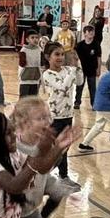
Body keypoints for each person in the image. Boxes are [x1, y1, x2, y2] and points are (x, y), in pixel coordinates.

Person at [40, 41, 81, 184]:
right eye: (56, 54)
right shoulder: (47, 74)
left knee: (64, 148)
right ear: (47, 57)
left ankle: (63, 176)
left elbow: (80, 82)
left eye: (62, 54)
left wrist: (77, 66)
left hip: (68, 115)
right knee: (55, 149)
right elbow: (62, 87)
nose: (60, 57)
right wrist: (72, 71)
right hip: (54, 117)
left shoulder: (67, 70)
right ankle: (41, 174)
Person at [74, 25, 102, 109]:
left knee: (92, 88)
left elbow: (99, 57)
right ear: (85, 34)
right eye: (89, 32)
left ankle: (94, 104)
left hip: (92, 70)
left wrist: (98, 69)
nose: (91, 33)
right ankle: (77, 102)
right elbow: (74, 54)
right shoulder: (80, 45)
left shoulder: (96, 44)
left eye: (92, 32)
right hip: (81, 70)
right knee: (79, 87)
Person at [18, 31, 43, 98]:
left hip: (35, 79)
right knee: (23, 100)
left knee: (33, 100)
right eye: (32, 37)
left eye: (37, 37)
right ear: (27, 40)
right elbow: (22, 64)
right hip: (25, 78)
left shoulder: (39, 50)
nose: (35, 39)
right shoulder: (24, 50)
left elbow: (42, 63)